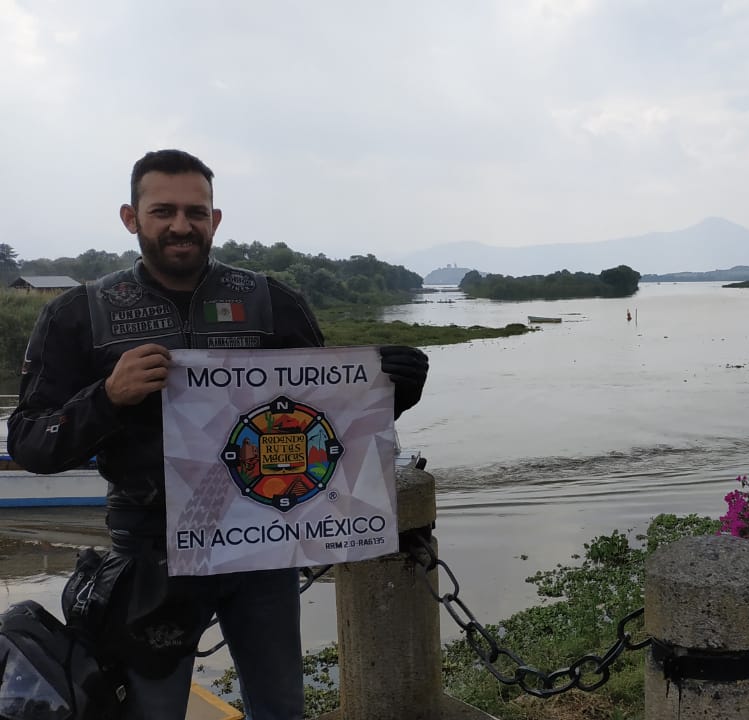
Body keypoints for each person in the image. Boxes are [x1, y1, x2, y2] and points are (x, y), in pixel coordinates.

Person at [5, 149, 430, 720]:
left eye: (195, 212)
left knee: (281, 708)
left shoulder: (270, 302)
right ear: (132, 218)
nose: (181, 225)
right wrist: (107, 396)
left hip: (266, 543)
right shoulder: (80, 314)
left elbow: (325, 419)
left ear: (215, 219)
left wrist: (391, 392)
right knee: (151, 710)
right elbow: (30, 443)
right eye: (163, 211)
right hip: (150, 551)